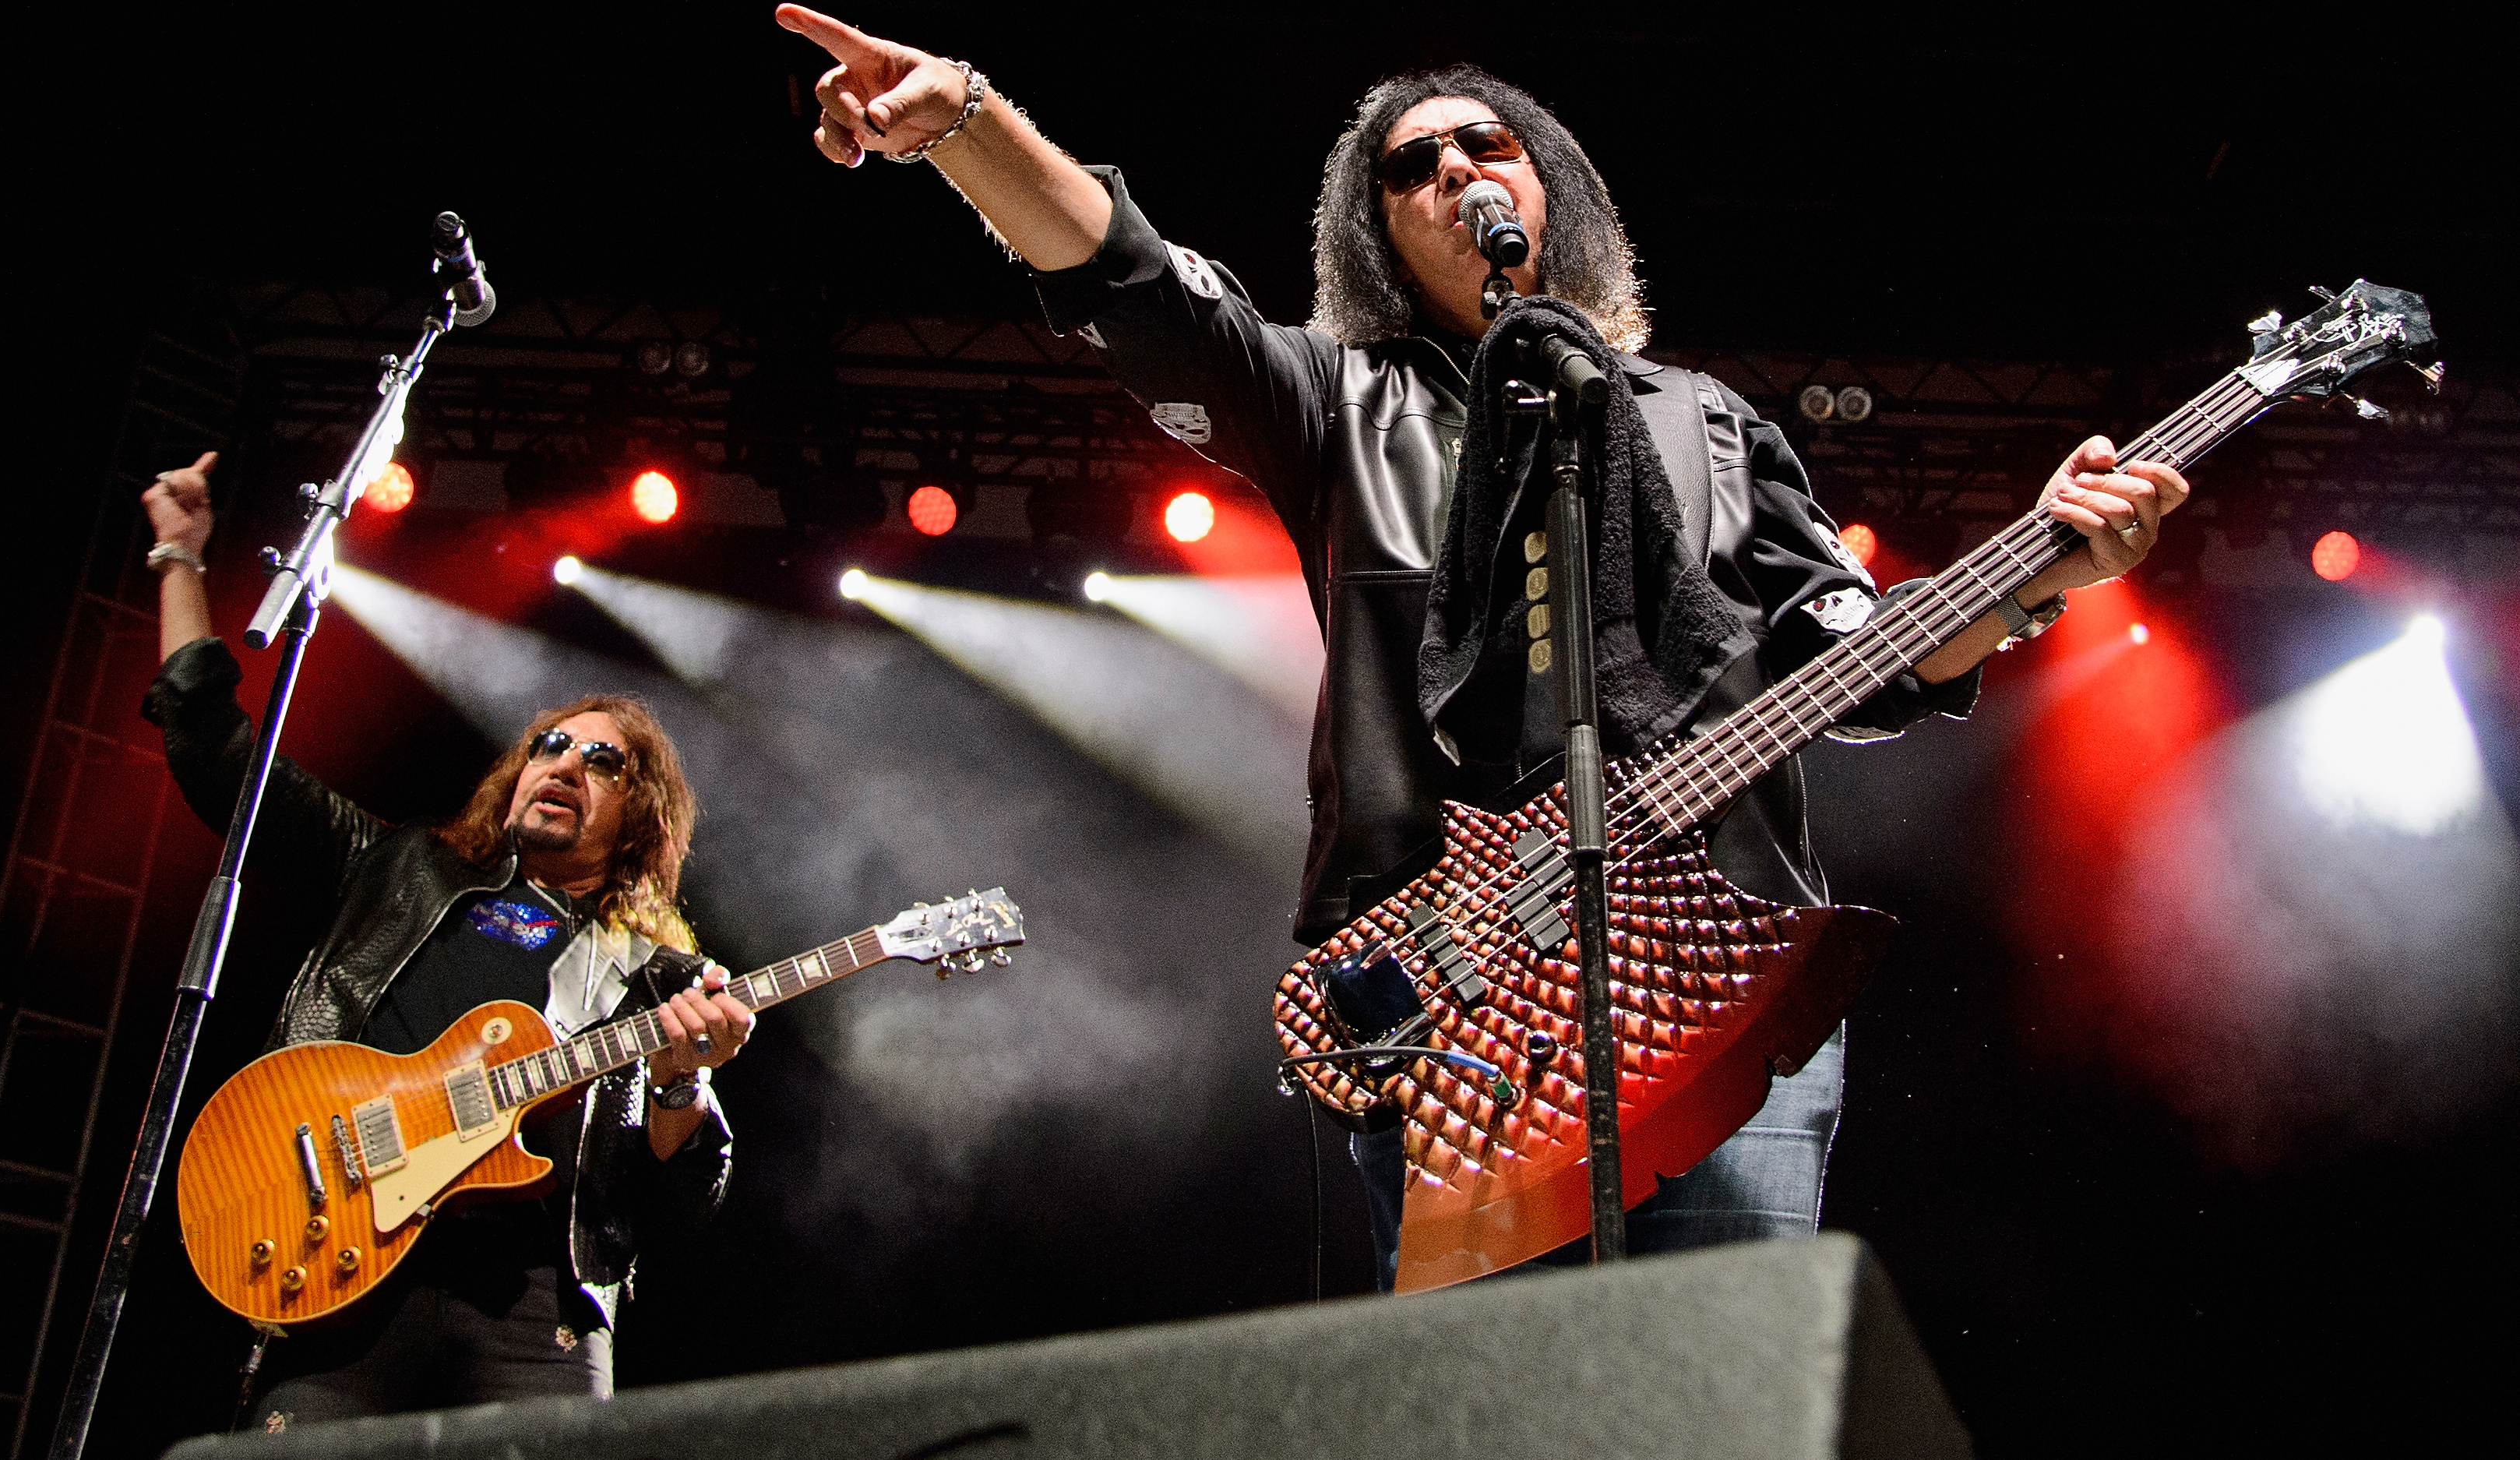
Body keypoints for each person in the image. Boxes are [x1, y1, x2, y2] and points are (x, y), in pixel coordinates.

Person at [772, 7, 2189, 1286]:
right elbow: (1136, 285)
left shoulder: (1702, 423)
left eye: (1485, 144)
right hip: (1460, 983)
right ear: (1377, 234)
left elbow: (1860, 660)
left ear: (1546, 186)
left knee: (1715, 1404)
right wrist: (966, 117)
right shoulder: (1336, 404)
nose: (1457, 170)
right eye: (1412, 167)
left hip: (1713, 967)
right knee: (1496, 1410)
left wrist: (2031, 574)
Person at [138, 453, 758, 1425]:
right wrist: (179, 557)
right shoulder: (398, 866)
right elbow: (212, 748)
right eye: (549, 745)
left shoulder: (660, 976)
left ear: (642, 817)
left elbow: (672, 1206)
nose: (565, 763)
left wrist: (687, 1080)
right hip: (343, 1263)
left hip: (534, 1313)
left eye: (605, 761)